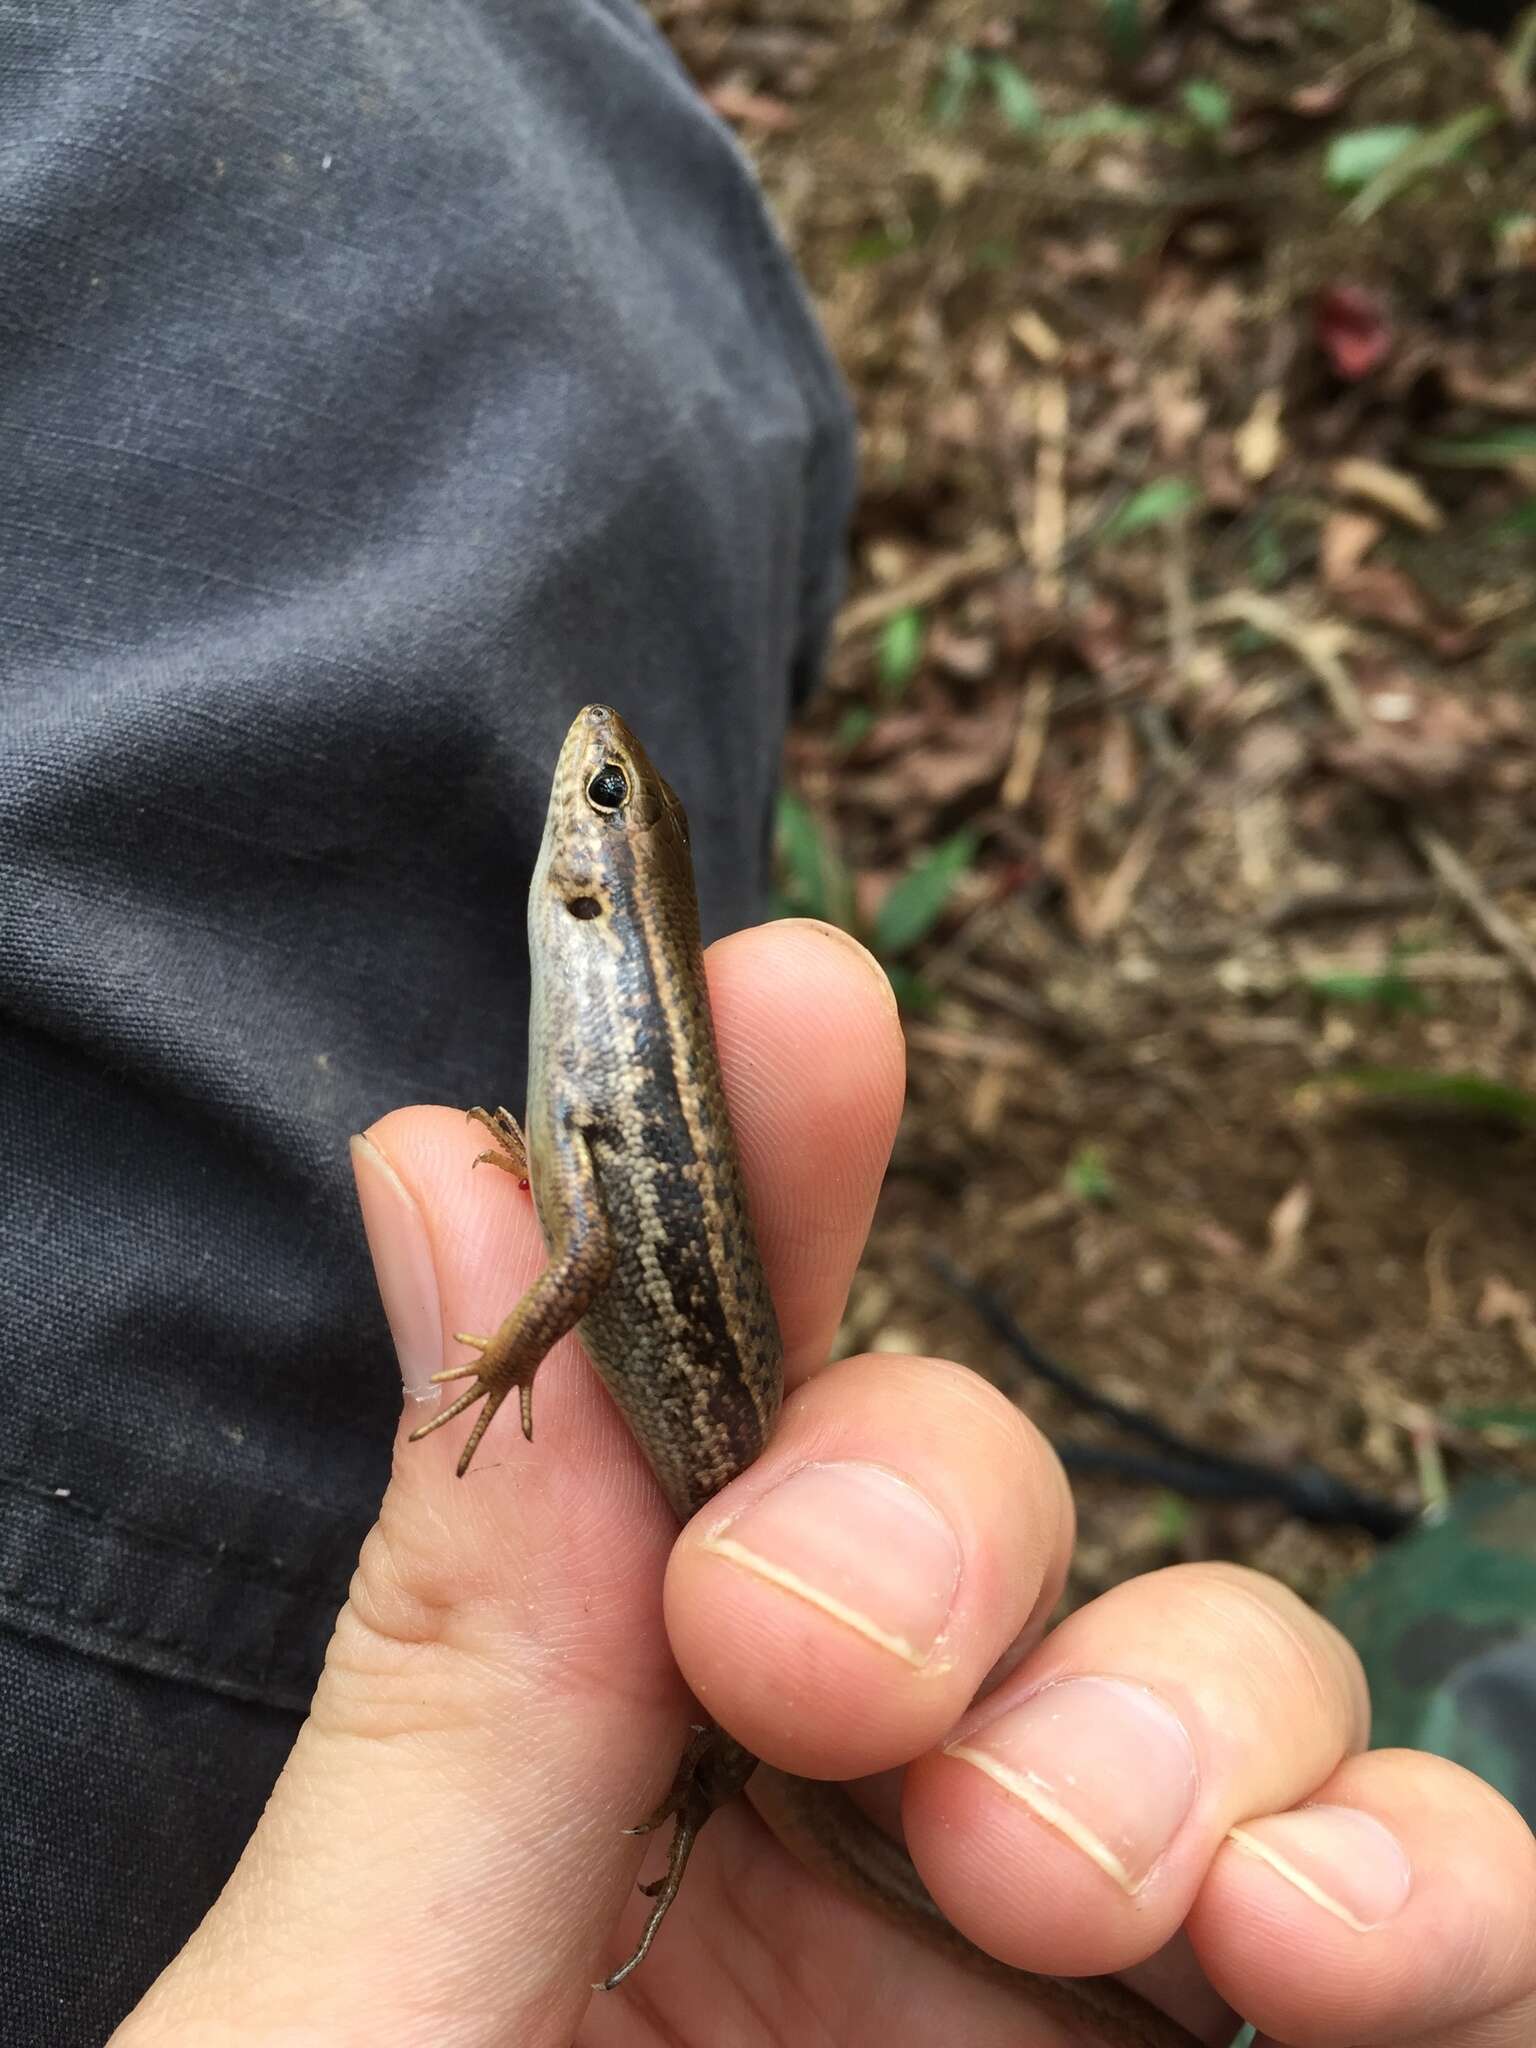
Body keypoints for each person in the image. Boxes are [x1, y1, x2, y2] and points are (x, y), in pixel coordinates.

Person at [3, 8, 1533, 2047]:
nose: (580, 784)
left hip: (714, 1479)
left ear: (605, 874)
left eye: (607, 805)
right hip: (710, 1492)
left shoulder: (609, 974)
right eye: (604, 801)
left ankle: (723, 1781)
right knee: (806, 1639)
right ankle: (747, 1779)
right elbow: (602, 1201)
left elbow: (594, 1236)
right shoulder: (597, 970)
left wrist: (505, 1354)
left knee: (790, 1667)